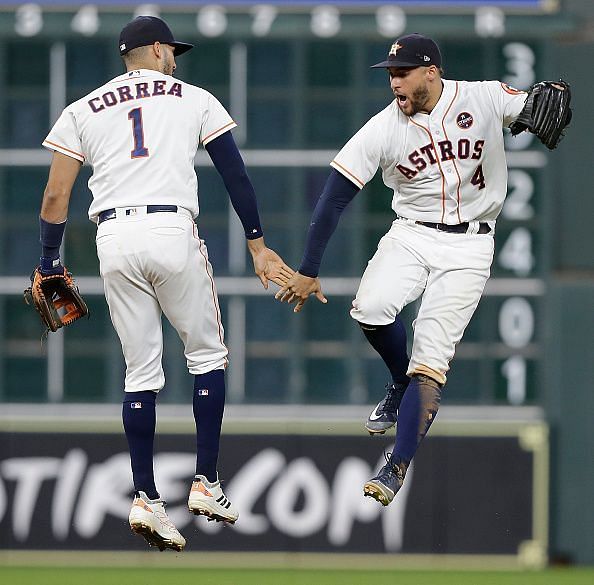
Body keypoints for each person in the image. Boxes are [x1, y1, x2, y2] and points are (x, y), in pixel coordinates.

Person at [276, 33, 567, 507]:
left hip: (472, 246)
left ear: (431, 71)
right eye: (390, 73)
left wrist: (542, 101)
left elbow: (531, 106)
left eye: (402, 72)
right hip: (411, 233)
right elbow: (334, 196)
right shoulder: (383, 128)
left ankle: (396, 465)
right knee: (370, 309)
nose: (394, 82)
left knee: (430, 359)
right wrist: (309, 268)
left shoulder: (482, 96)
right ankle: (397, 381)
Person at [37, 15, 293, 551]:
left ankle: (147, 497)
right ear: (155, 50)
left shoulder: (83, 108)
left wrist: (49, 264)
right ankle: (206, 482)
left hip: (113, 239)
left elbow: (56, 197)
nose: (174, 57)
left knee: (140, 370)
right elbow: (234, 174)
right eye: (171, 49)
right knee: (207, 356)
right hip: (170, 227)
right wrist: (257, 244)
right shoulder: (193, 98)